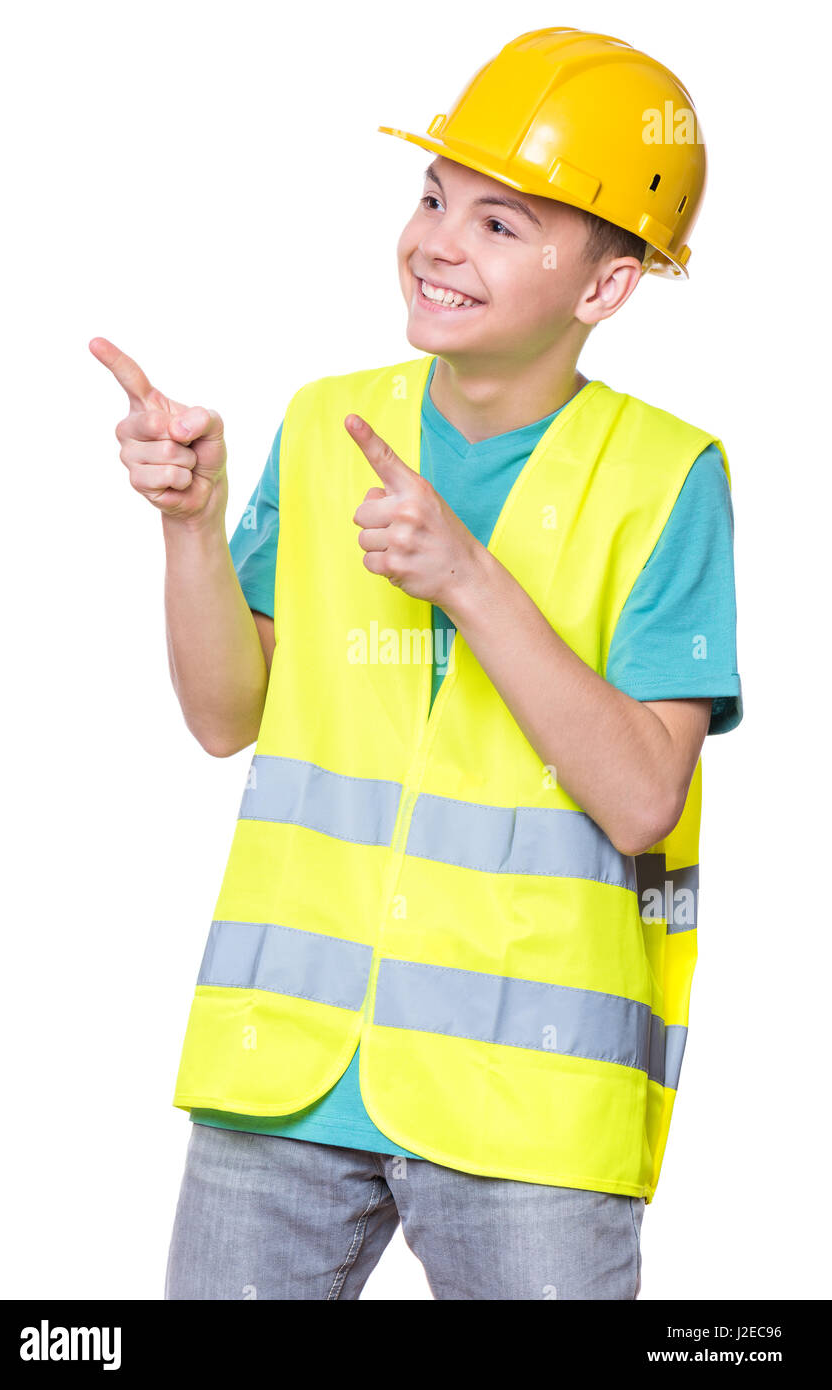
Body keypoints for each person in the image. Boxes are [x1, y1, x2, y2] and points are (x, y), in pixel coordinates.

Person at [91, 26, 742, 1300]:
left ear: (604, 288)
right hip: (282, 1069)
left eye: (502, 224)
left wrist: (467, 577)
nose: (438, 241)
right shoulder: (330, 425)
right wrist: (191, 528)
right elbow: (228, 716)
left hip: (530, 1103)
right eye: (434, 198)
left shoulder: (669, 479)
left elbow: (642, 796)